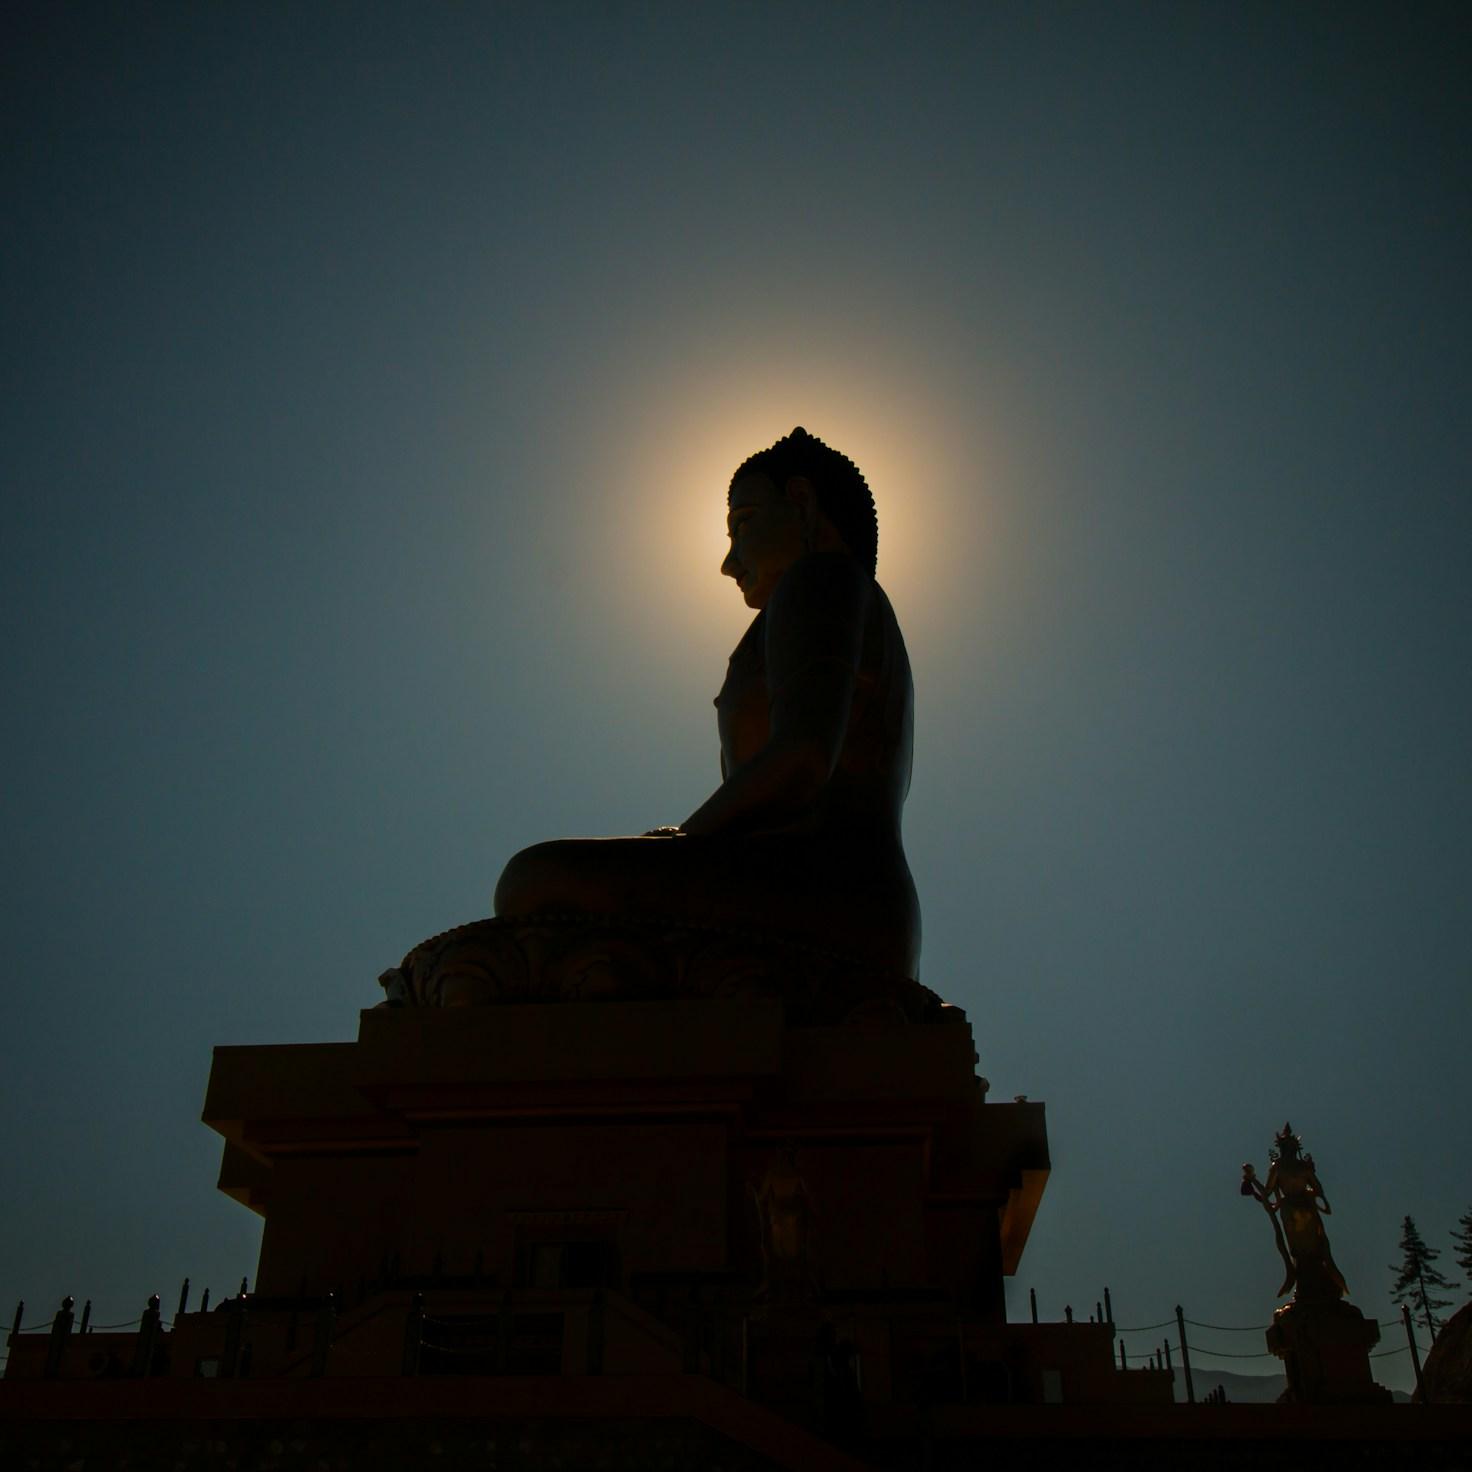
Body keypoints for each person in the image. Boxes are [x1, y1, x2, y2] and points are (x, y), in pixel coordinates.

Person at [493, 426, 922, 979]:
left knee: (535, 880)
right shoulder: (838, 599)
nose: (729, 562)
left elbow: (803, 757)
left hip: (826, 888)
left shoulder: (822, 578)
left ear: (801, 501)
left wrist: (684, 840)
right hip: (850, 898)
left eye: (743, 524)